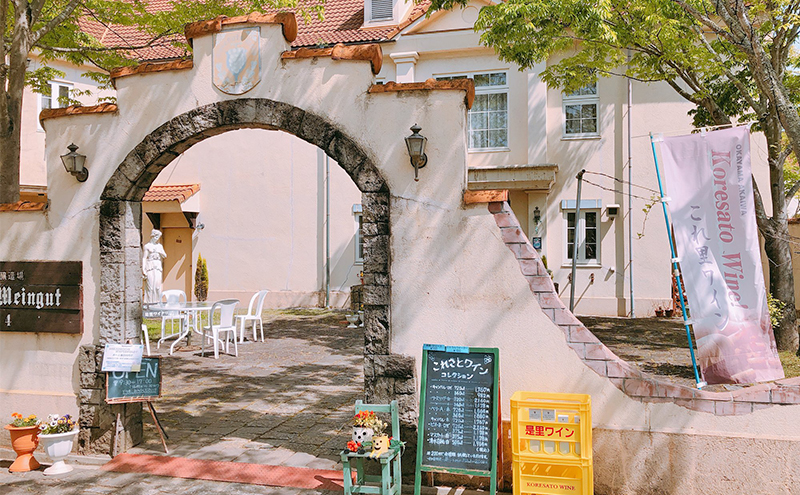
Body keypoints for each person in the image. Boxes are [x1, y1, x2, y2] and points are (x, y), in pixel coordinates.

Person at [143, 230, 167, 305]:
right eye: (156, 236)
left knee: (157, 286)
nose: (157, 238)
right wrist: (143, 269)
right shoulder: (147, 246)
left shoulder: (159, 246)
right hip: (150, 265)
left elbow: (165, 255)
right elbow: (144, 258)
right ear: (152, 236)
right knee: (150, 286)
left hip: (158, 266)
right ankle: (149, 304)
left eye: (158, 237)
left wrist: (159, 251)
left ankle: (157, 303)